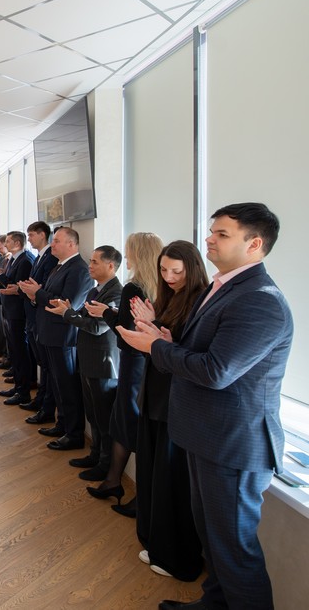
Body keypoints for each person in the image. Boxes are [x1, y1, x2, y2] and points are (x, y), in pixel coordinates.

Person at [120, 203, 293, 610]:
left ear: (254, 244)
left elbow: (217, 371)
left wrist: (157, 346)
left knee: (235, 553)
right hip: (206, 436)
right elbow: (199, 352)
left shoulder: (260, 300)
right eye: (212, 231)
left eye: (222, 234)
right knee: (214, 542)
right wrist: (166, 338)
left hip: (232, 445)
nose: (209, 239)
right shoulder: (224, 288)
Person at [128, 240, 207, 582]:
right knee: (151, 475)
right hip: (155, 395)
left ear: (193, 269)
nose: (169, 277)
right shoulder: (167, 297)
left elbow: (188, 353)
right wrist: (148, 328)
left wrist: (155, 328)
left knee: (171, 482)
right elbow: (158, 347)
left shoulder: (201, 300)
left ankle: (175, 555)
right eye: (163, 270)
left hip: (176, 401)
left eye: (177, 271)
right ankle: (155, 541)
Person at [83, 231, 163, 516]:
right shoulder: (160, 286)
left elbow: (125, 334)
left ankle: (123, 486)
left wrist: (106, 313)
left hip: (131, 362)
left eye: (128, 251)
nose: (125, 256)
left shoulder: (133, 288)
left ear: (137, 254)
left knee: (127, 424)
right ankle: (114, 481)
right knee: (127, 423)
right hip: (146, 364)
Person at [48, 245, 122, 480]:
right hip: (88, 359)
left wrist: (67, 314)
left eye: (95, 262)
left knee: (103, 417)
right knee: (93, 414)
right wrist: (70, 311)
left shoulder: (116, 293)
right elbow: (85, 317)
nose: (90, 266)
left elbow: (98, 327)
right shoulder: (95, 290)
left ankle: (105, 465)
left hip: (103, 364)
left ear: (110, 266)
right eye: (90, 261)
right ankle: (95, 455)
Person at [19, 226, 93, 450]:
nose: (53, 244)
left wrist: (37, 293)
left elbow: (68, 304)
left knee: (67, 387)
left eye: (57, 241)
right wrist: (35, 294)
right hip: (49, 332)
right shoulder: (59, 266)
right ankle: (62, 425)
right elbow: (48, 296)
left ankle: (74, 434)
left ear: (71, 244)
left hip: (63, 336)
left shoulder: (78, 269)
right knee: (57, 384)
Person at [17, 221, 57, 414]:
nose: (29, 239)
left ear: (42, 235)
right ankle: (40, 400)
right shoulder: (41, 257)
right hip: (33, 316)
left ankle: (44, 404)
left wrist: (31, 292)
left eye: (31, 235)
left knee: (46, 365)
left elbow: (42, 287)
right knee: (42, 363)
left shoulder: (50, 258)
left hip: (41, 316)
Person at [0, 232, 33, 401]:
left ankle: (23, 391)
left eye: (8, 241)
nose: (5, 244)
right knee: (14, 351)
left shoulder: (25, 260)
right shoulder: (13, 259)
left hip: (18, 312)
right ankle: (17, 386)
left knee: (20, 351)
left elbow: (16, 286)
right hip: (10, 309)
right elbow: (8, 282)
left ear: (17, 243)